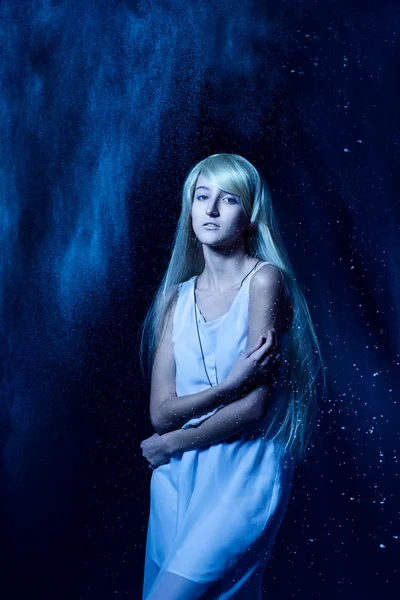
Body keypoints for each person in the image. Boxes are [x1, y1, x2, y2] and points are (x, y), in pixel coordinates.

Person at [139, 153, 327, 599]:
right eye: (201, 197)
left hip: (243, 471)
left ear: (250, 215)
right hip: (178, 478)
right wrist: (226, 387)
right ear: (189, 209)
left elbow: (257, 405)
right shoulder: (174, 298)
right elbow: (161, 412)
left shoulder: (265, 281)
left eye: (228, 200)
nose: (211, 209)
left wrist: (175, 442)